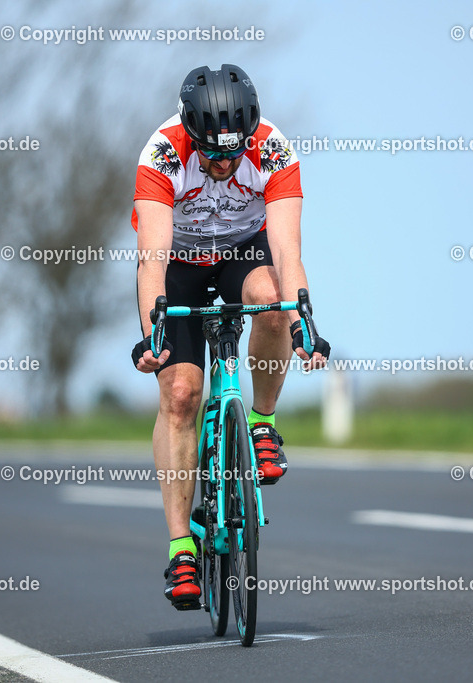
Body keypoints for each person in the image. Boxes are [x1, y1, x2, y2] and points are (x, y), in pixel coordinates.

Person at [130, 64, 330, 610]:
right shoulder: (162, 154)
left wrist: (302, 324)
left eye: (233, 152)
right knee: (180, 395)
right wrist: (154, 335)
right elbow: (150, 261)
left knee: (271, 300)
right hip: (179, 261)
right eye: (212, 153)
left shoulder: (273, 150)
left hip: (244, 250)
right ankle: (181, 550)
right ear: (190, 135)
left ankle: (262, 424)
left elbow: (288, 250)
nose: (223, 163)